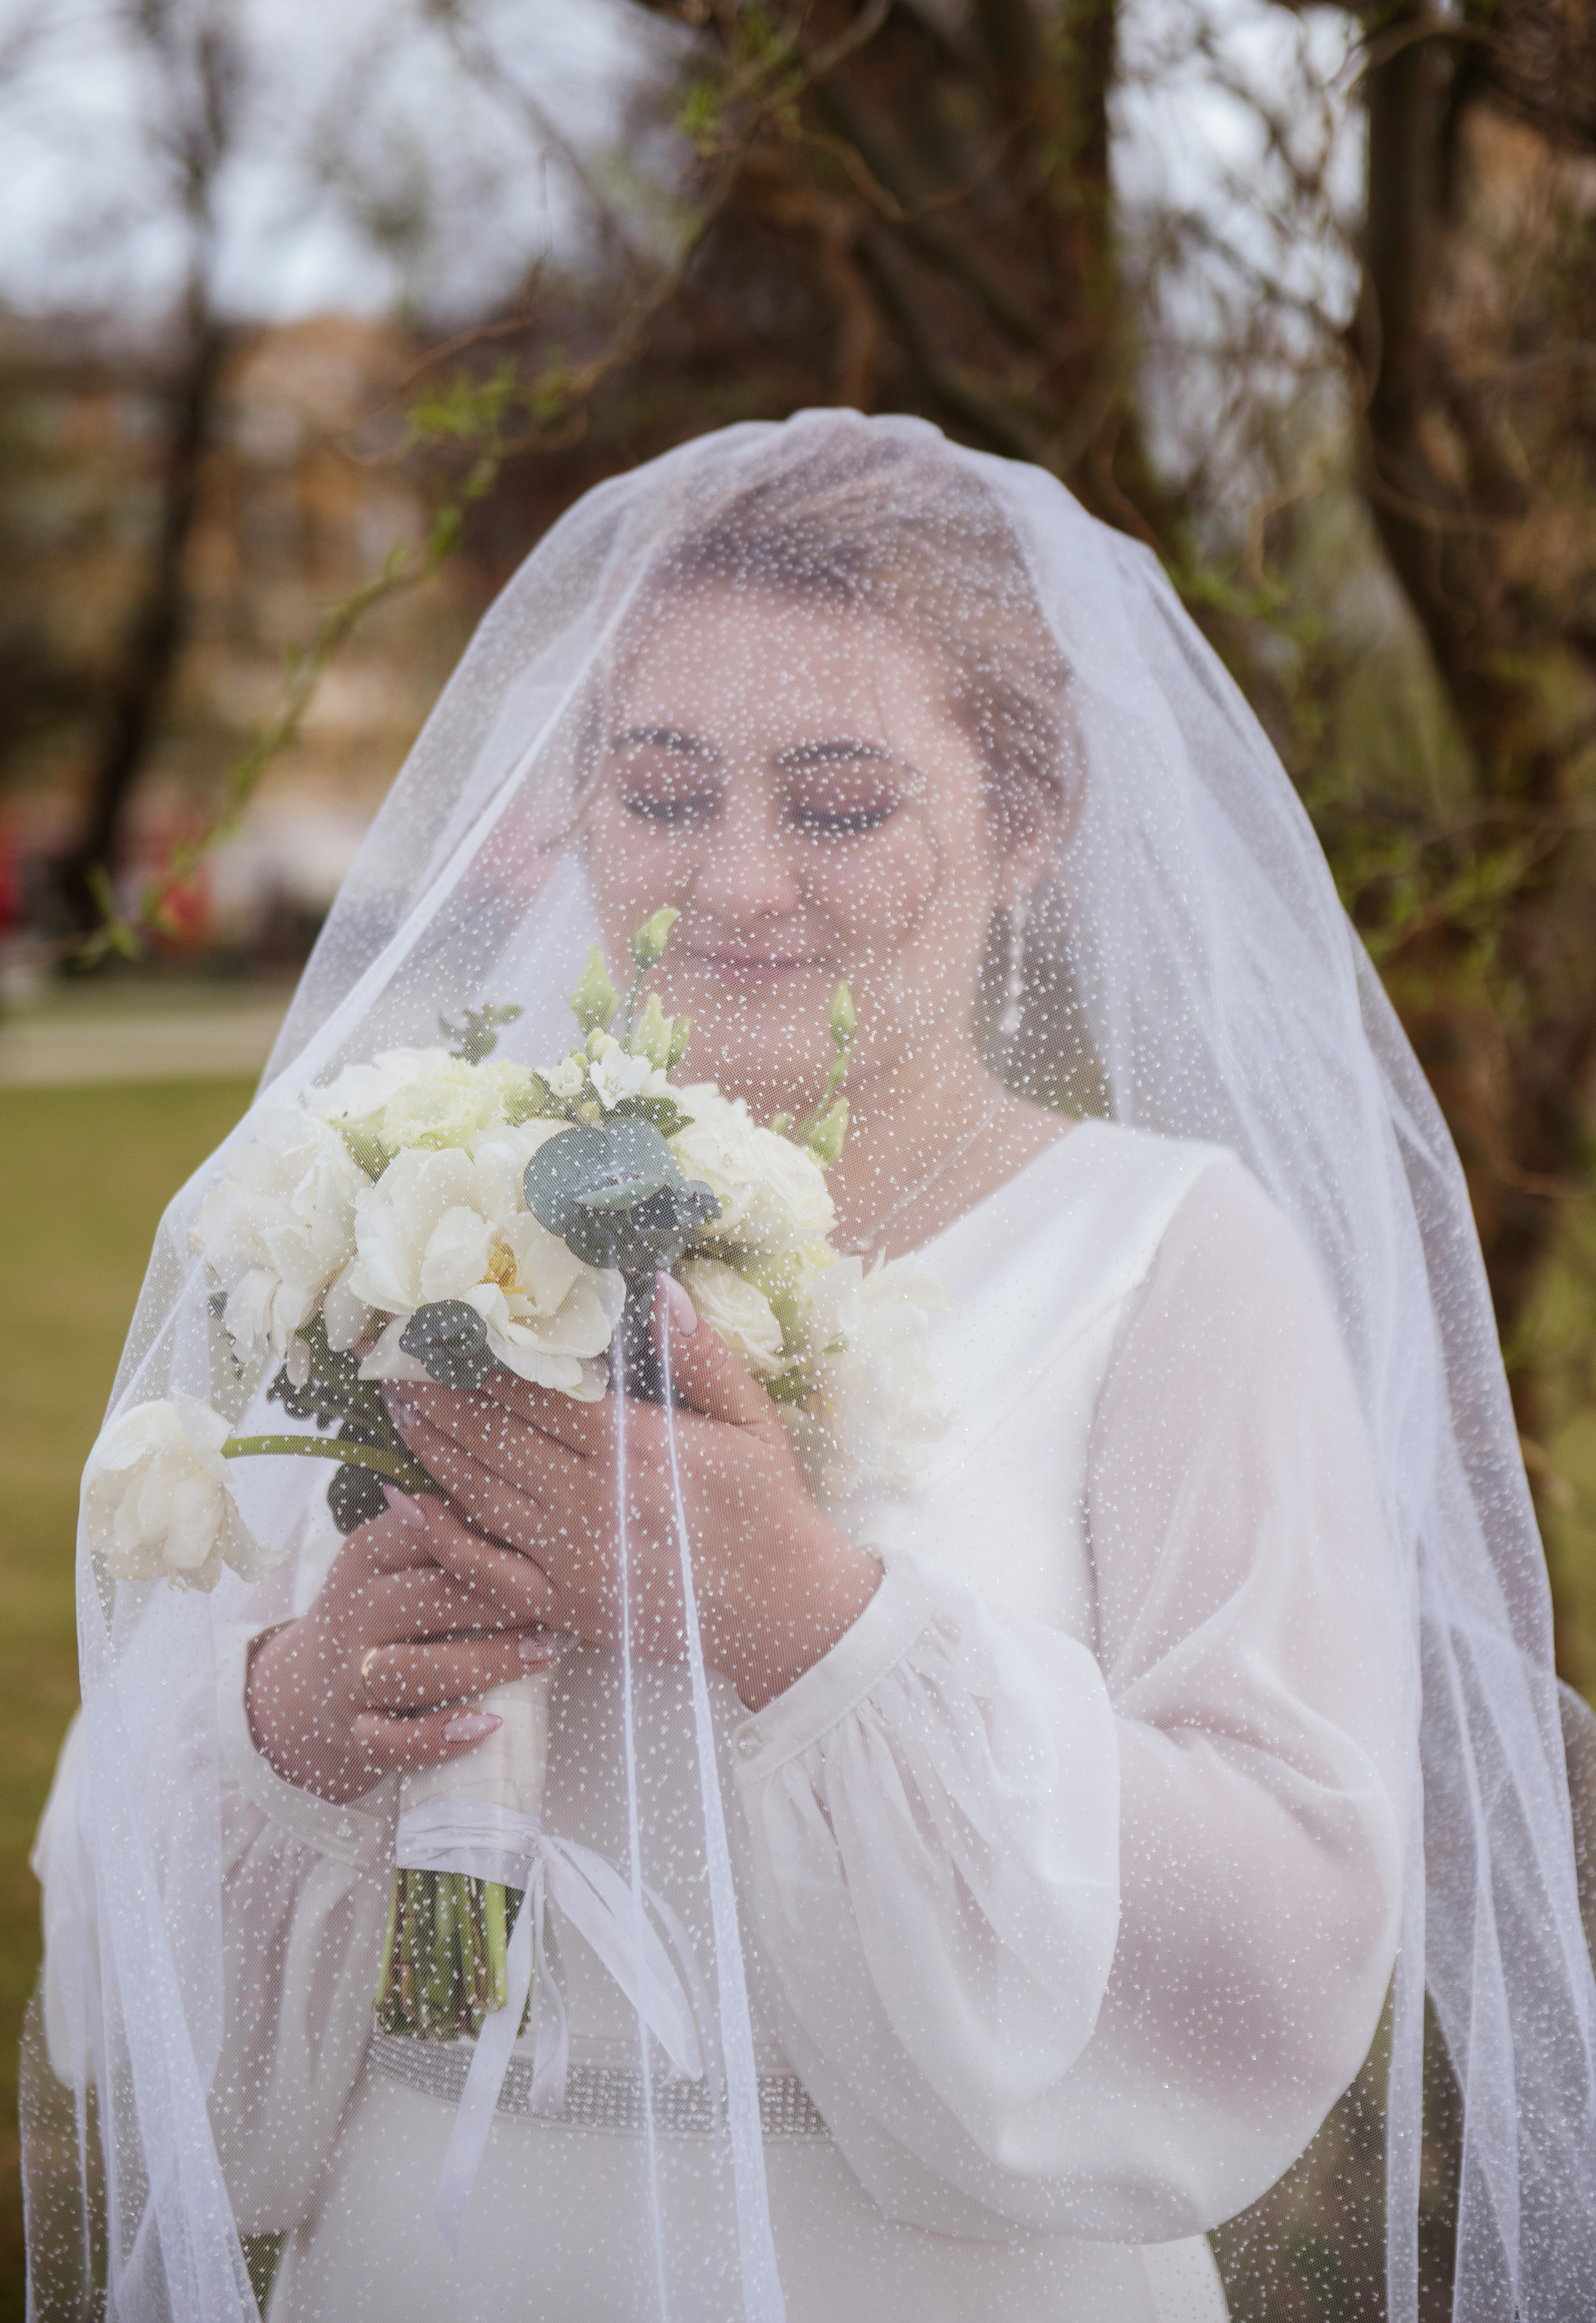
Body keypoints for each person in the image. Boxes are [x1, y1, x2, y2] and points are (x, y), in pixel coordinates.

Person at [27, 414, 1595, 2323]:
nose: (739, 883)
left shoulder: (1171, 1257)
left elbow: (1287, 1930)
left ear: (1025, 825)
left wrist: (803, 1616)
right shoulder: (428, 1222)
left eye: (841, 803)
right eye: (664, 789)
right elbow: (132, 1977)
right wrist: (305, 1709)